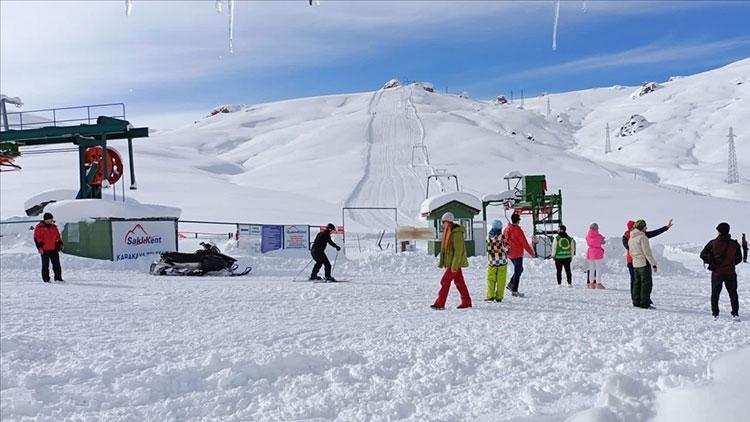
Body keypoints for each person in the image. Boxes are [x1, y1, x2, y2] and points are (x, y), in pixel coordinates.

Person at [622, 219, 672, 303]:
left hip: (633, 260)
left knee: (636, 281)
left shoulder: (633, 235)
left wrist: (665, 228)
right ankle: (639, 299)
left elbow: (654, 233)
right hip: (635, 260)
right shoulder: (636, 236)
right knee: (640, 281)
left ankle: (637, 299)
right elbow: (632, 249)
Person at [700, 223, 741, 321]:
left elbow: (702, 255)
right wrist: (730, 264)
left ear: (719, 231)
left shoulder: (713, 243)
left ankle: (715, 314)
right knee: (733, 293)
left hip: (717, 273)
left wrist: (711, 261)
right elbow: (739, 258)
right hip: (730, 272)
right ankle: (735, 314)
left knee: (715, 294)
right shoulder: (734, 244)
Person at [431, 212, 472, 310]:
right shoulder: (449, 231)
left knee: (445, 281)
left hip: (454, 263)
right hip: (452, 263)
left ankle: (440, 304)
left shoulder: (456, 233)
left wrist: (454, 266)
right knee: (459, 282)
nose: (442, 224)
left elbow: (458, 251)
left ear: (448, 222)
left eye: (443, 222)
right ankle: (466, 302)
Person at [503, 213, 536, 297]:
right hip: (517, 254)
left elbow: (504, 240)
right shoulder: (518, 231)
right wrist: (531, 252)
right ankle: (515, 290)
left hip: (509, 253)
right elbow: (524, 243)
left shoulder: (506, 229)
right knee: (518, 271)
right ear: (518, 221)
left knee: (520, 269)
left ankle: (511, 284)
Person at [628, 220, 658, 309]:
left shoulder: (631, 238)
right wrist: (654, 264)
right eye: (645, 226)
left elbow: (630, 252)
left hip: (635, 264)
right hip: (644, 264)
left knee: (637, 284)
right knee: (646, 284)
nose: (646, 228)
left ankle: (636, 302)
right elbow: (647, 253)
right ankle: (645, 304)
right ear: (641, 227)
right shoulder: (642, 237)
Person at [33, 212, 64, 283]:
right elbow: (36, 238)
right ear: (46, 219)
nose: (52, 220)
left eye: (52, 219)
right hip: (44, 250)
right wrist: (39, 248)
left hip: (54, 249)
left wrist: (61, 244)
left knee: (57, 265)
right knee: (45, 265)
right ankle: (46, 279)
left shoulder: (54, 227)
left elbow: (58, 236)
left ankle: (58, 278)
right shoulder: (39, 227)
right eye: (50, 219)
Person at [485, 219, 510, 302]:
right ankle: (499, 296)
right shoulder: (502, 237)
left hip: (491, 261)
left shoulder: (488, 236)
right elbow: (507, 248)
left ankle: (490, 296)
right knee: (501, 280)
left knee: (491, 279)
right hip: (502, 261)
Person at [585, 223, 606, 288]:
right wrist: (602, 239)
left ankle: (591, 284)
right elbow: (603, 242)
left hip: (590, 253)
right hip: (598, 253)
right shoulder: (599, 236)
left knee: (591, 269)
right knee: (598, 268)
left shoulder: (588, 236)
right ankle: (598, 283)